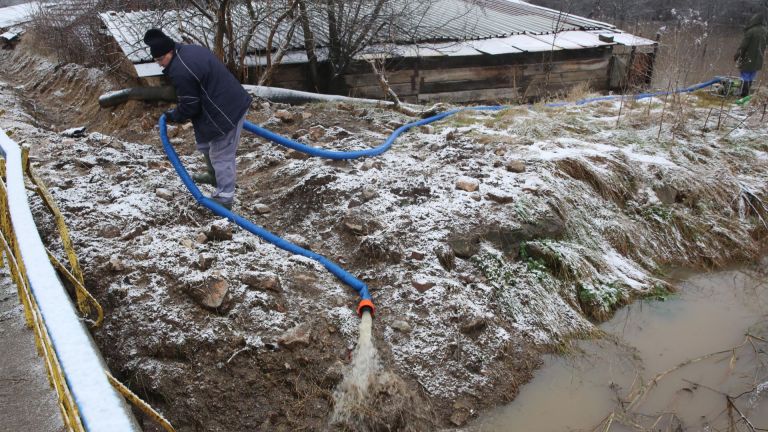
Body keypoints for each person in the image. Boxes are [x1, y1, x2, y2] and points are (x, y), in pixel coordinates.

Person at [143, 28, 252, 210]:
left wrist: (173, 115)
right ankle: (213, 175)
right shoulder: (189, 50)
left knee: (221, 154)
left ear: (169, 52)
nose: (160, 65)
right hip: (218, 103)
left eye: (160, 60)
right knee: (205, 143)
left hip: (225, 111)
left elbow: (190, 106)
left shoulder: (180, 70)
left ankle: (224, 199)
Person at [734, 13, 768, 98]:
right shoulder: (765, 31)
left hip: (748, 58)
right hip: (759, 59)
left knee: (745, 75)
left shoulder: (751, 31)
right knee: (752, 76)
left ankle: (743, 95)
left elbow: (743, 46)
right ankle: (747, 94)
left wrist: (737, 55)